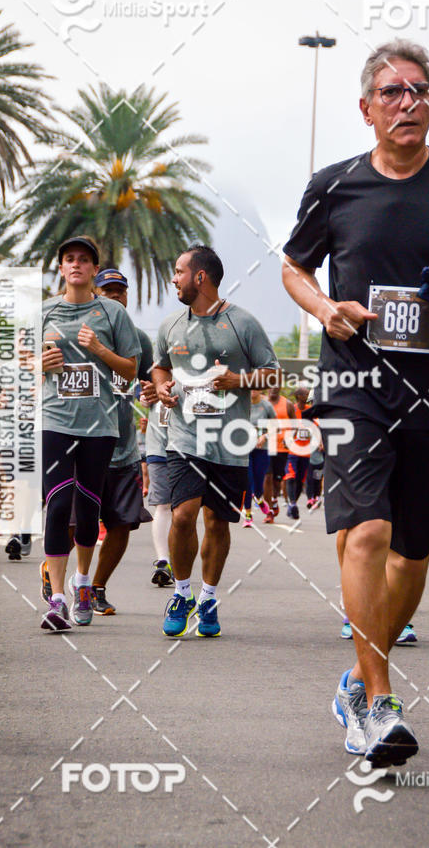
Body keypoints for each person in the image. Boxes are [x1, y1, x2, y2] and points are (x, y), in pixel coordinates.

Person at [282, 38, 429, 764]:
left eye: (419, 90)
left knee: (414, 552)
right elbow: (294, 268)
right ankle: (381, 705)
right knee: (367, 535)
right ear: (366, 109)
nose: (408, 101)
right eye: (392, 91)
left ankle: (357, 678)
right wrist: (325, 309)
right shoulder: (334, 186)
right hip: (354, 386)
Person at [152, 244, 279, 638]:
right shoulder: (171, 325)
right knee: (183, 515)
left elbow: (273, 375)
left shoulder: (243, 323)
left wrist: (238, 381)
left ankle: (208, 598)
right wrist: (161, 389)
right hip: (185, 437)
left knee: (217, 523)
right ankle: (182, 592)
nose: (174, 279)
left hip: (229, 441)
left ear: (200, 277)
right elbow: (159, 367)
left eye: (178, 271)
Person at [39, 237, 141, 631]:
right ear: (61, 268)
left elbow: (130, 370)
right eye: (70, 259)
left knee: (88, 509)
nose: (77, 265)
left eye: (84, 260)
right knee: (57, 504)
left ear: (94, 270)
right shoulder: (44, 311)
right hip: (56, 421)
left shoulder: (112, 312)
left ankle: (84, 582)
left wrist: (99, 348)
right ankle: (58, 599)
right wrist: (40, 365)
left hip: (100, 425)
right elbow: (22, 364)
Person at [85, 268, 154, 615]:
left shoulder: (139, 338)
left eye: (119, 291)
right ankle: (55, 573)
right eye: (107, 291)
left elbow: (153, 378)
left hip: (124, 447)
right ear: (95, 295)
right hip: (82, 443)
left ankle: (96, 587)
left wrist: (157, 390)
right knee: (73, 525)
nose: (114, 296)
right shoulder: (80, 334)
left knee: (123, 524)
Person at [144, 398, 174, 586]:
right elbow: (144, 397)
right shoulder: (152, 369)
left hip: (192, 449)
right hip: (159, 448)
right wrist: (146, 396)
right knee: (163, 505)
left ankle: (179, 559)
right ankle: (163, 561)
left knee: (185, 510)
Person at [242, 390, 275, 527]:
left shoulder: (266, 405)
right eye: (250, 388)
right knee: (247, 481)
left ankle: (259, 499)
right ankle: (248, 515)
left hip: (262, 449)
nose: (253, 391)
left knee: (259, 481)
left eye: (256, 388)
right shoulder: (241, 403)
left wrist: (264, 436)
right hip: (244, 449)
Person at [263, 387, 296, 517]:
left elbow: (295, 424)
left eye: (276, 387)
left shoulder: (287, 404)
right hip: (266, 446)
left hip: (282, 448)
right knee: (267, 477)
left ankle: (274, 499)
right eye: (270, 387)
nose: (273, 390)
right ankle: (270, 509)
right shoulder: (262, 403)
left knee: (277, 480)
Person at [284, 386, 312, 521]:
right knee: (291, 476)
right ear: (299, 396)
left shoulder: (311, 410)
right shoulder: (292, 409)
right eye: (306, 393)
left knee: (300, 481)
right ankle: (293, 504)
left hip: (306, 452)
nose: (308, 394)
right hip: (292, 451)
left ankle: (291, 504)